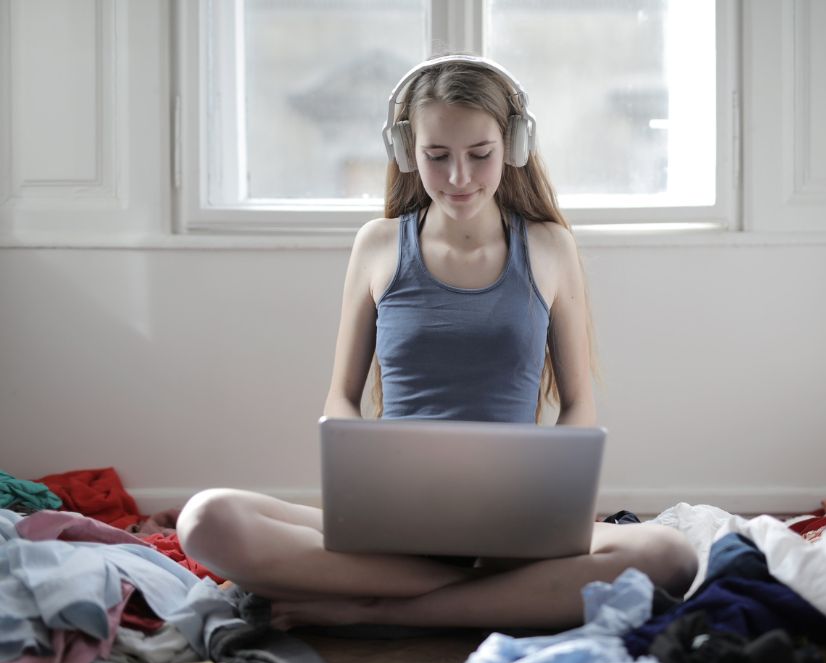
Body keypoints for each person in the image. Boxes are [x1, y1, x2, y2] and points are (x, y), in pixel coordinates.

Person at [177, 55, 697, 631]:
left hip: (515, 524)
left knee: (669, 556)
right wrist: (364, 492)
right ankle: (497, 597)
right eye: (436, 157)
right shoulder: (376, 246)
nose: (458, 178)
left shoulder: (550, 247)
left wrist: (553, 511)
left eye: (480, 156)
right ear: (406, 153)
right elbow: (340, 400)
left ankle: (378, 610)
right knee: (206, 521)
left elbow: (577, 405)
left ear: (514, 145)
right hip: (394, 524)